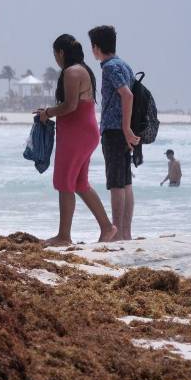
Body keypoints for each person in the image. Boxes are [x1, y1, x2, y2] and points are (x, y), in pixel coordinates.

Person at [36, 34, 118, 245]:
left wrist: (48, 113)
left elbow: (70, 106)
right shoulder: (83, 70)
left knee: (64, 182)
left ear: (61, 52)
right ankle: (107, 227)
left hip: (77, 135)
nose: (56, 59)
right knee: (80, 183)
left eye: (55, 54)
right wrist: (50, 112)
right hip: (85, 133)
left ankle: (64, 236)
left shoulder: (72, 72)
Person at [89, 25, 140, 240]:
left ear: (96, 47)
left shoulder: (110, 67)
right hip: (122, 130)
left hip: (115, 130)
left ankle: (117, 234)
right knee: (125, 181)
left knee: (116, 183)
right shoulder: (124, 65)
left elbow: (127, 95)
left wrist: (125, 129)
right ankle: (125, 233)